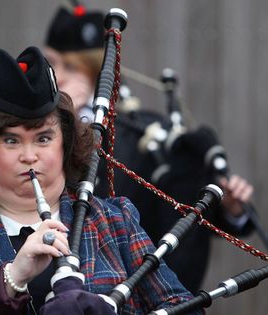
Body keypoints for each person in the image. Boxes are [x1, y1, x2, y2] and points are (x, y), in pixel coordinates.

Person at [0, 46, 201, 315]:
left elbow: (183, 305)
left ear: (66, 146)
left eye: (44, 139)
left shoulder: (114, 221)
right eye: (11, 140)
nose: (29, 156)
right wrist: (12, 278)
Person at [44, 5, 255, 293]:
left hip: (132, 286)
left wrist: (229, 208)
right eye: (51, 63)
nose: (58, 75)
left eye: (71, 67)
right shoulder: (37, 130)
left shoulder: (145, 132)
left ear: (97, 75)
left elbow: (177, 209)